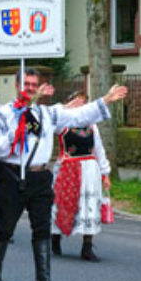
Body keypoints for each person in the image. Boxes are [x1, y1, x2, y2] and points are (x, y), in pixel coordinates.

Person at [0, 69, 127, 281]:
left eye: (34, 84)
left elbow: (79, 116)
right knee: (5, 227)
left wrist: (106, 99)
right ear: (18, 85)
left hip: (39, 177)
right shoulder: (1, 113)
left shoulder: (47, 114)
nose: (30, 88)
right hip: (11, 177)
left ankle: (43, 280)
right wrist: (15, 133)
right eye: (26, 84)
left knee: (41, 229)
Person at [51, 92, 112, 262]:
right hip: (67, 167)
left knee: (89, 204)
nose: (80, 104)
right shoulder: (62, 122)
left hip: (89, 168)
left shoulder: (92, 125)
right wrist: (65, 108)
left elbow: (99, 148)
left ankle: (87, 246)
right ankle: (55, 237)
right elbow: (52, 115)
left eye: (84, 102)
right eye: (76, 100)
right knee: (62, 203)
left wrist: (105, 173)